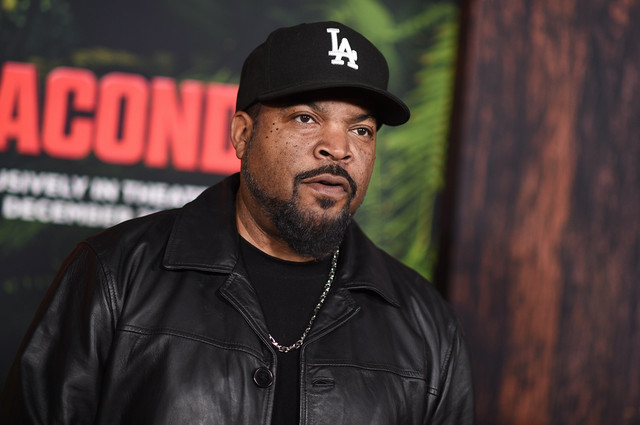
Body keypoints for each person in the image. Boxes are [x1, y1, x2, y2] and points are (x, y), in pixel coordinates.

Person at [0, 21, 474, 424]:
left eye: (361, 129)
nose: (339, 148)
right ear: (242, 134)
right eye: (306, 118)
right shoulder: (115, 273)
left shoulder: (425, 322)